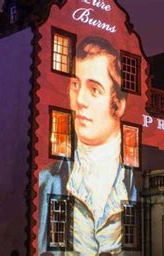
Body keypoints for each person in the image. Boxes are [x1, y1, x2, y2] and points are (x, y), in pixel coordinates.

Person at [38, 36, 137, 255]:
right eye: (75, 84)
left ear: (119, 105)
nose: (80, 99)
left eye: (94, 89)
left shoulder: (134, 185)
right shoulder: (48, 180)